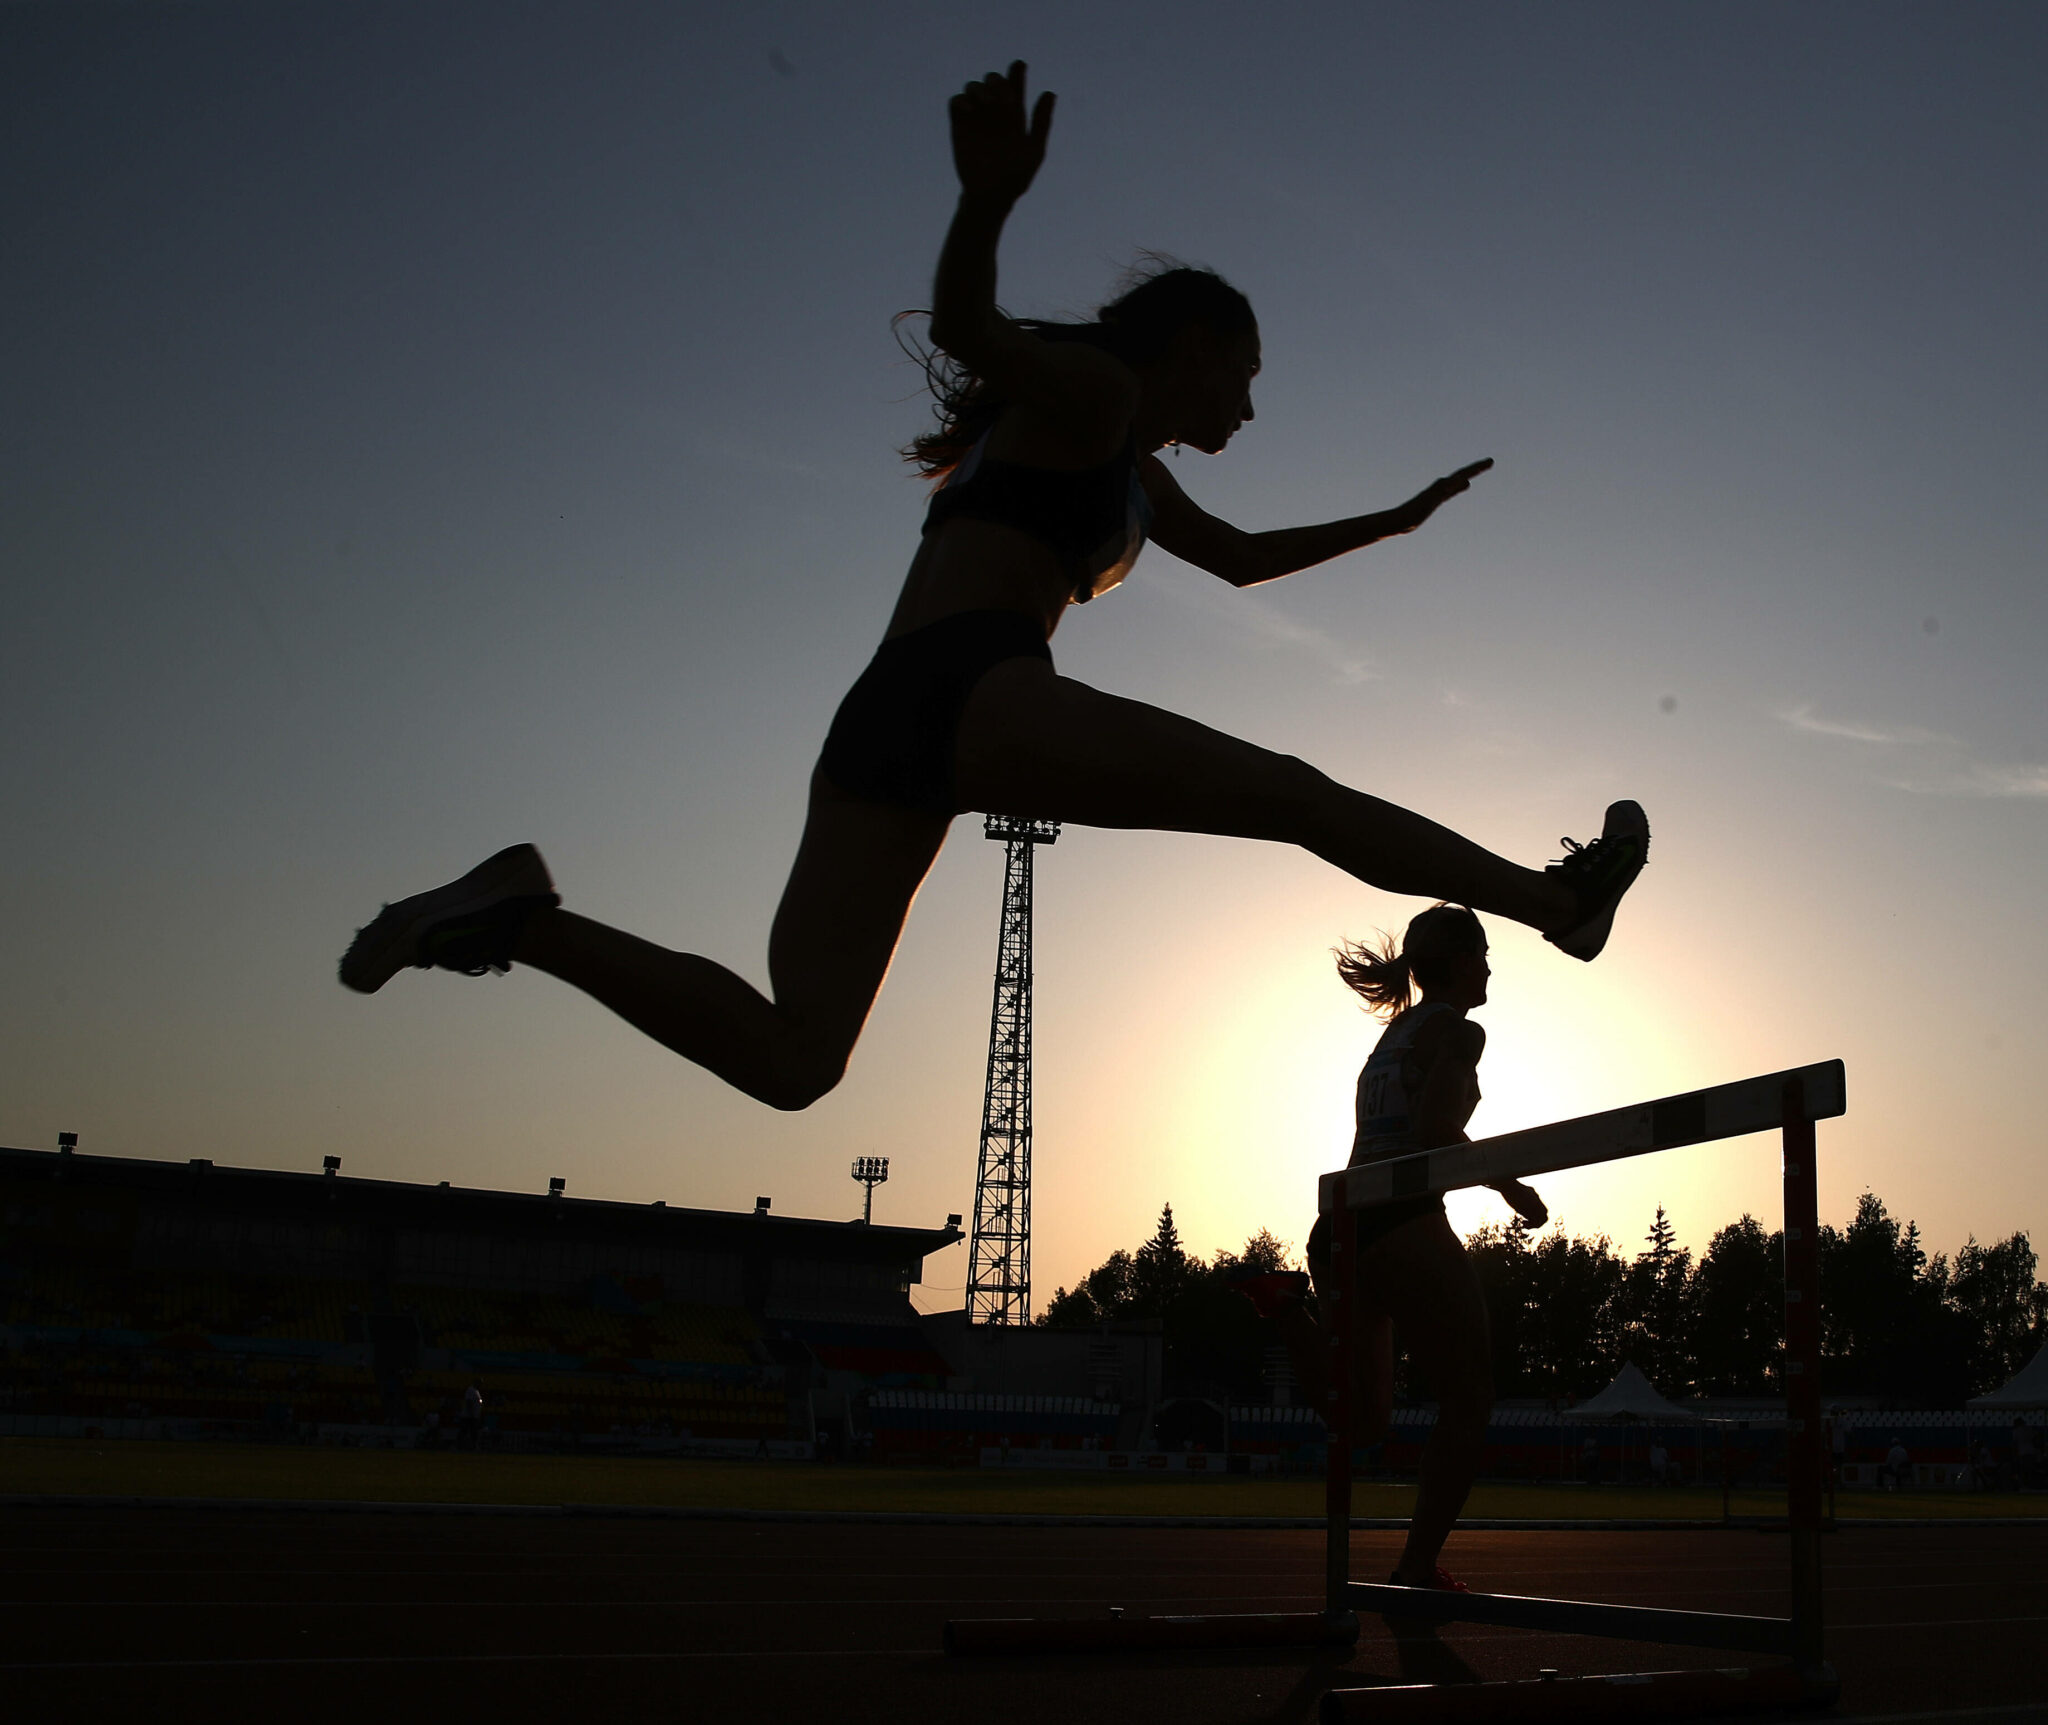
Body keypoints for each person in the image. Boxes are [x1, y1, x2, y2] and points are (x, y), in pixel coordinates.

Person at [336, 62, 1650, 1111]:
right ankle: (1557, 905)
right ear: (1191, 351)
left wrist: (1401, 519)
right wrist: (987, 200)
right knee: (1297, 799)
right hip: (974, 685)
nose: (1251, 403)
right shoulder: (1099, 392)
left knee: (798, 1060)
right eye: (1242, 374)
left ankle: (523, 914)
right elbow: (968, 326)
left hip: (885, 722)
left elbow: (1244, 561)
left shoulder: (1134, 467)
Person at [1235, 904, 1542, 1592]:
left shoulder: (1394, 1035)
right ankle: (1414, 1565)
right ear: (1460, 961)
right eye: (1485, 952)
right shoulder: (1460, 1032)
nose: (1491, 965)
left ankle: (1287, 1309)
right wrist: (1506, 1184)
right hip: (1399, 1222)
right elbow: (1434, 1129)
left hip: (1340, 1228)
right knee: (1469, 1396)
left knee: (1362, 1418)